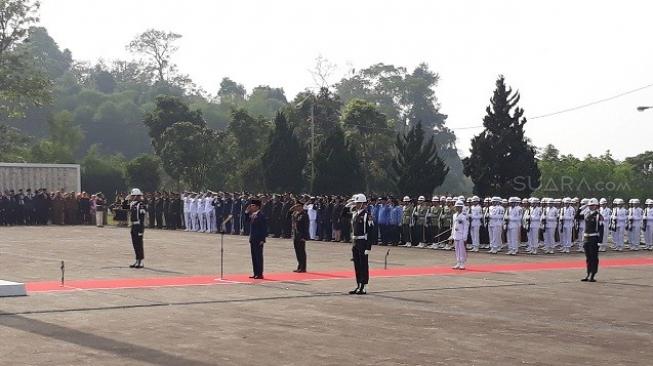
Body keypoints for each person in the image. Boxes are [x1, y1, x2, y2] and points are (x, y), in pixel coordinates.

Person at [348, 194, 372, 295]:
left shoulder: (367, 215)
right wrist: (348, 204)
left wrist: (368, 247)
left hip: (363, 242)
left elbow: (371, 231)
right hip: (356, 242)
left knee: (363, 265)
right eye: (356, 203)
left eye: (358, 203)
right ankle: (358, 285)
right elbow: (343, 213)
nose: (356, 205)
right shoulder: (355, 214)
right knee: (357, 265)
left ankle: (364, 286)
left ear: (363, 204)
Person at [581, 198, 602, 282]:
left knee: (594, 257)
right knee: (588, 258)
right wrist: (583, 206)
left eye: (592, 205)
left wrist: (600, 241)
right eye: (590, 205)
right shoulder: (586, 214)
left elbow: (601, 229)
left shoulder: (598, 215)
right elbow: (577, 215)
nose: (590, 207)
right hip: (586, 238)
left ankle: (593, 274)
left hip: (594, 238)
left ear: (596, 206)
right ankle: (588, 273)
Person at [247, 199, 267, 279]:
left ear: (257, 207)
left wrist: (263, 239)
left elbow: (264, 228)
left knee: (259, 257)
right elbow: (247, 221)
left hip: (259, 239)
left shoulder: (261, 215)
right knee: (254, 257)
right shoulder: (252, 214)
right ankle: (255, 273)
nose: (251, 207)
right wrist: (246, 212)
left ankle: (260, 274)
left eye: (253, 205)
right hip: (253, 238)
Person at [128, 188, 147, 268]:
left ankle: (141, 261)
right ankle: (137, 260)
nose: (131, 197)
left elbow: (142, 217)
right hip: (133, 226)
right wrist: (126, 198)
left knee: (139, 244)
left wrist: (141, 229)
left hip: (138, 225)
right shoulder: (132, 204)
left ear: (136, 196)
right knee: (135, 244)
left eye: (132, 196)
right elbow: (124, 207)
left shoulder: (141, 205)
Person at [291, 200, 309, 272]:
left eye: (297, 206)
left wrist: (305, 237)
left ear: (301, 207)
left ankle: (303, 267)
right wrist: (291, 209)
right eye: (295, 206)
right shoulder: (295, 214)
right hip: (295, 235)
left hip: (301, 236)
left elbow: (306, 226)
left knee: (302, 252)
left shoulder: (304, 215)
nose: (296, 207)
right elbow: (288, 216)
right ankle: (299, 266)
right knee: (297, 251)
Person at [451, 200, 469, 269]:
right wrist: (452, 234)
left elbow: (466, 227)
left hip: (461, 235)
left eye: (459, 207)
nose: (457, 208)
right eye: (456, 207)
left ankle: (462, 263)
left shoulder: (464, 216)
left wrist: (465, 237)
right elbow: (453, 225)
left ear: (462, 207)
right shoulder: (454, 215)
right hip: (456, 234)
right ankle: (458, 262)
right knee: (457, 249)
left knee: (462, 249)